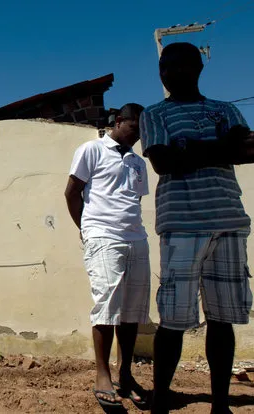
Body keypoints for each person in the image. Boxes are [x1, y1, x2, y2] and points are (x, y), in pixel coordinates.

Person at [140, 42, 254, 414]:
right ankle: (161, 399)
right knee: (173, 320)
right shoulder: (154, 114)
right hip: (181, 225)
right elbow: (163, 162)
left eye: (175, 66)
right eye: (163, 68)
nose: (168, 73)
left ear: (196, 68)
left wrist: (190, 148)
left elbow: (246, 152)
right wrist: (220, 147)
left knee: (222, 320)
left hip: (228, 222)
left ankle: (220, 405)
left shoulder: (225, 109)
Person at [65, 103, 151, 409]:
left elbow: (133, 202)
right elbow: (72, 192)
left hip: (137, 239)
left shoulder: (138, 163)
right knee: (107, 305)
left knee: (131, 312)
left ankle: (125, 375)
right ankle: (102, 375)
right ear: (118, 121)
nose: (139, 135)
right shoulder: (91, 149)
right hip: (103, 237)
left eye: (143, 131)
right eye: (135, 128)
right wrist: (86, 229)